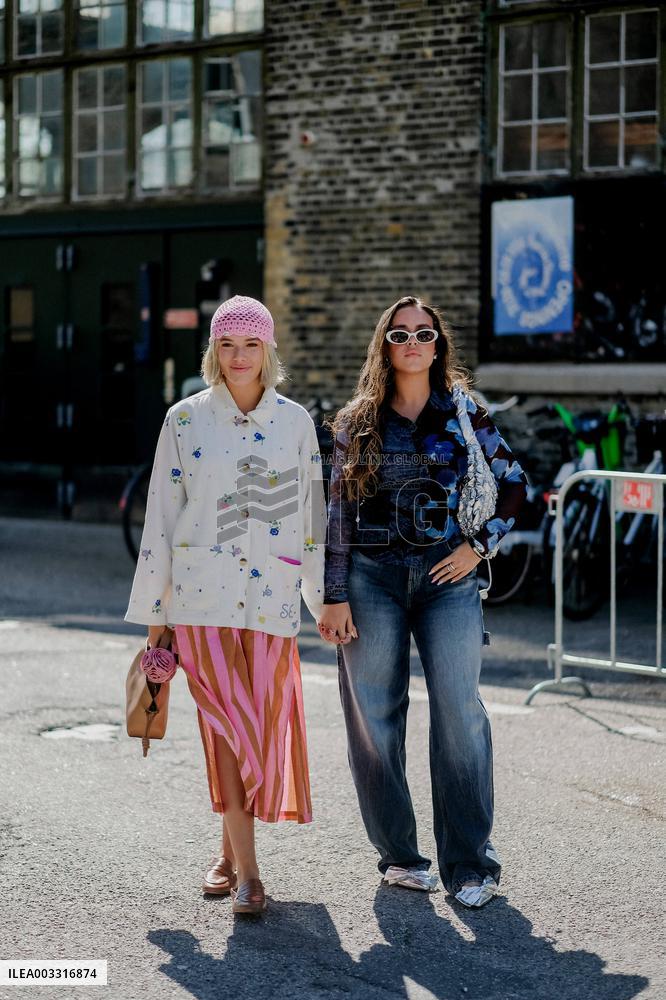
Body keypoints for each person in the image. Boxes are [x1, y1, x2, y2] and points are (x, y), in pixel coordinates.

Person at [317, 295, 527, 908]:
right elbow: (339, 516)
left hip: (448, 581)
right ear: (385, 346)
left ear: (438, 346)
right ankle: (401, 857)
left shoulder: (465, 412)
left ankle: (470, 864)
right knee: (374, 718)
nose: (412, 342)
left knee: (460, 714)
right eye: (400, 333)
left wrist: (478, 547)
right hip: (371, 581)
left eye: (424, 333)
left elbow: (515, 484)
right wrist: (335, 595)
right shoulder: (357, 421)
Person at [125, 295, 325, 916]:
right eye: (228, 345)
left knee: (253, 732)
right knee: (228, 729)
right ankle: (250, 876)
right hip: (200, 602)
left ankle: (225, 854)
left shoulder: (295, 423)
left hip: (270, 602)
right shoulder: (184, 420)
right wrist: (157, 620)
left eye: (251, 345)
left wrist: (325, 600)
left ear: (269, 350)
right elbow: (160, 518)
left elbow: (313, 516)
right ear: (214, 350)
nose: (240, 357)